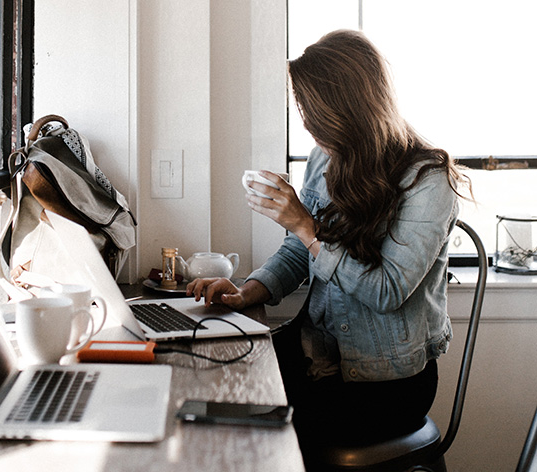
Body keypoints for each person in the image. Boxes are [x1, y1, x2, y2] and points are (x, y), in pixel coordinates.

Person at [186, 29, 471, 463]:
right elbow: (298, 252)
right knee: (208, 378)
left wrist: (306, 226)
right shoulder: (327, 158)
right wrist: (247, 292)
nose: (306, 123)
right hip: (317, 353)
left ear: (350, 107)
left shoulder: (428, 181)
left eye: (312, 111)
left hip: (386, 383)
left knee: (249, 433)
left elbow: (386, 291)